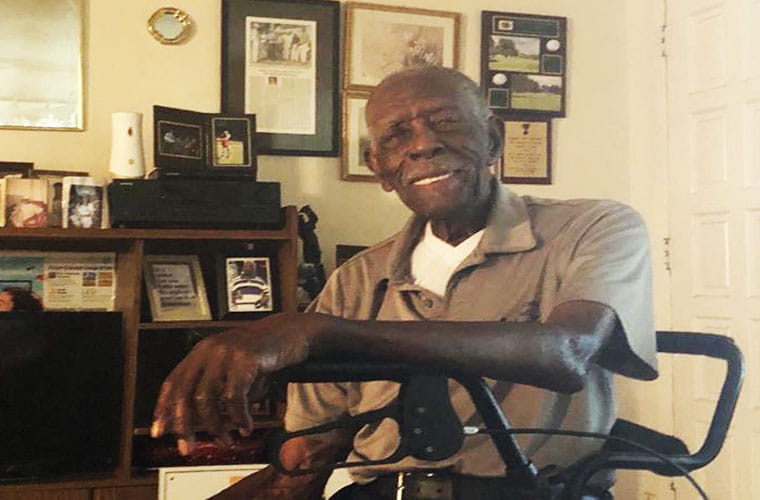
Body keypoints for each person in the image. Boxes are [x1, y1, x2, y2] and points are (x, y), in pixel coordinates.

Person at [151, 67, 656, 500]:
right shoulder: (359, 279)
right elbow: (308, 458)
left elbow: (566, 353)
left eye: (446, 123)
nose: (423, 144)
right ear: (380, 169)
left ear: (493, 140)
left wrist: (325, 333)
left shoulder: (593, 228)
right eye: (396, 135)